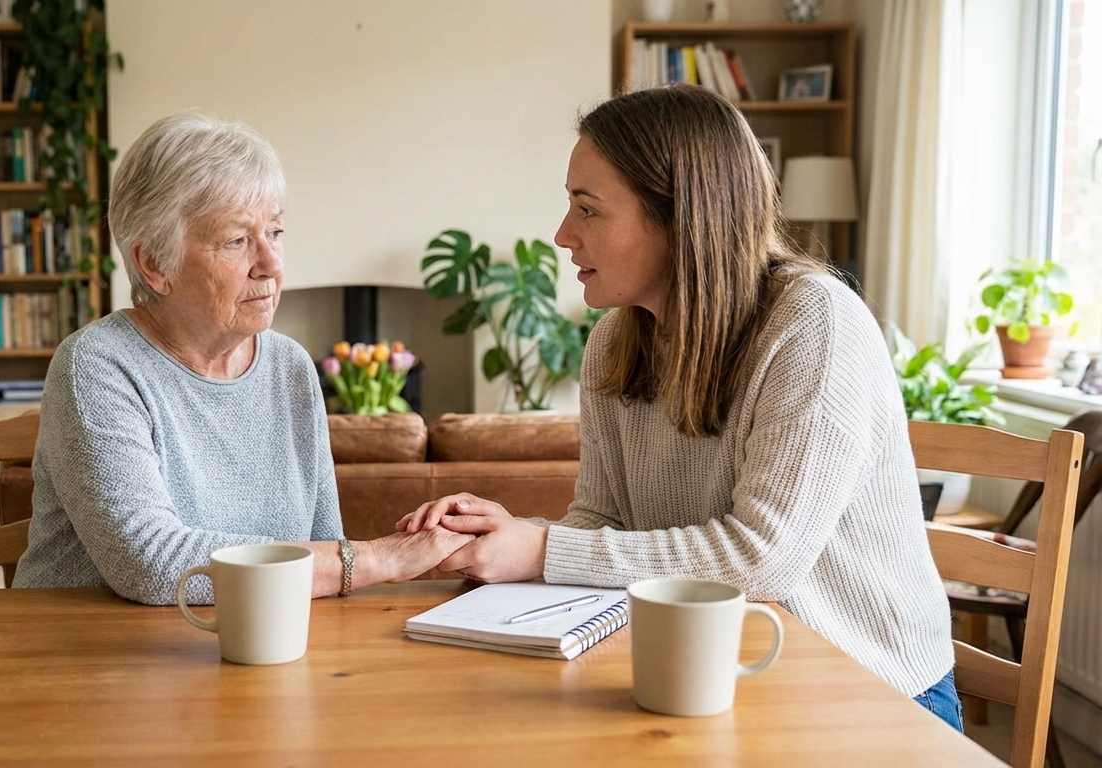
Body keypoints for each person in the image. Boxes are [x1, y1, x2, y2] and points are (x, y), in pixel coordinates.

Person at [398, 85, 961, 730]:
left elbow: (763, 558)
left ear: (677, 216)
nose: (561, 235)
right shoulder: (617, 338)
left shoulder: (814, 325)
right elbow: (603, 514)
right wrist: (507, 538)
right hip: (718, 669)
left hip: (872, 692)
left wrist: (543, 550)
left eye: (587, 209)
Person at [14, 113, 470, 605]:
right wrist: (381, 558)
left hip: (245, 646)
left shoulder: (290, 367)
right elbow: (150, 563)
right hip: (86, 657)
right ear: (153, 264)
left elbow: (324, 550)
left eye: (274, 232)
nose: (272, 265)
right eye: (236, 240)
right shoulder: (98, 366)